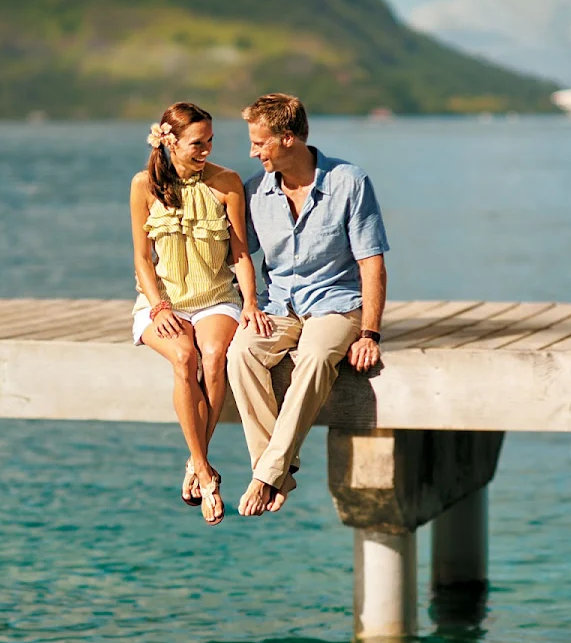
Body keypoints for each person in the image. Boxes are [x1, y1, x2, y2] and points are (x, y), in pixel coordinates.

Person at [228, 93, 389, 517]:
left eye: (259, 143)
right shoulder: (254, 193)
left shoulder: (349, 182)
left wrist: (370, 332)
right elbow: (237, 254)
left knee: (315, 357)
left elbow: (371, 263)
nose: (252, 151)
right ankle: (279, 470)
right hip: (279, 305)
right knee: (240, 354)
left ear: (287, 139)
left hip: (336, 305)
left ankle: (266, 475)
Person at [129, 102, 273, 526]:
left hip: (216, 297)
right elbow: (140, 257)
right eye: (197, 142)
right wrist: (158, 306)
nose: (206, 149)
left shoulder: (228, 183)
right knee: (183, 358)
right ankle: (206, 474)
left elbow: (241, 253)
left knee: (213, 358)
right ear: (169, 142)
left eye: (210, 140)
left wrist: (249, 302)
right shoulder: (144, 185)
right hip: (163, 301)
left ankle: (197, 463)